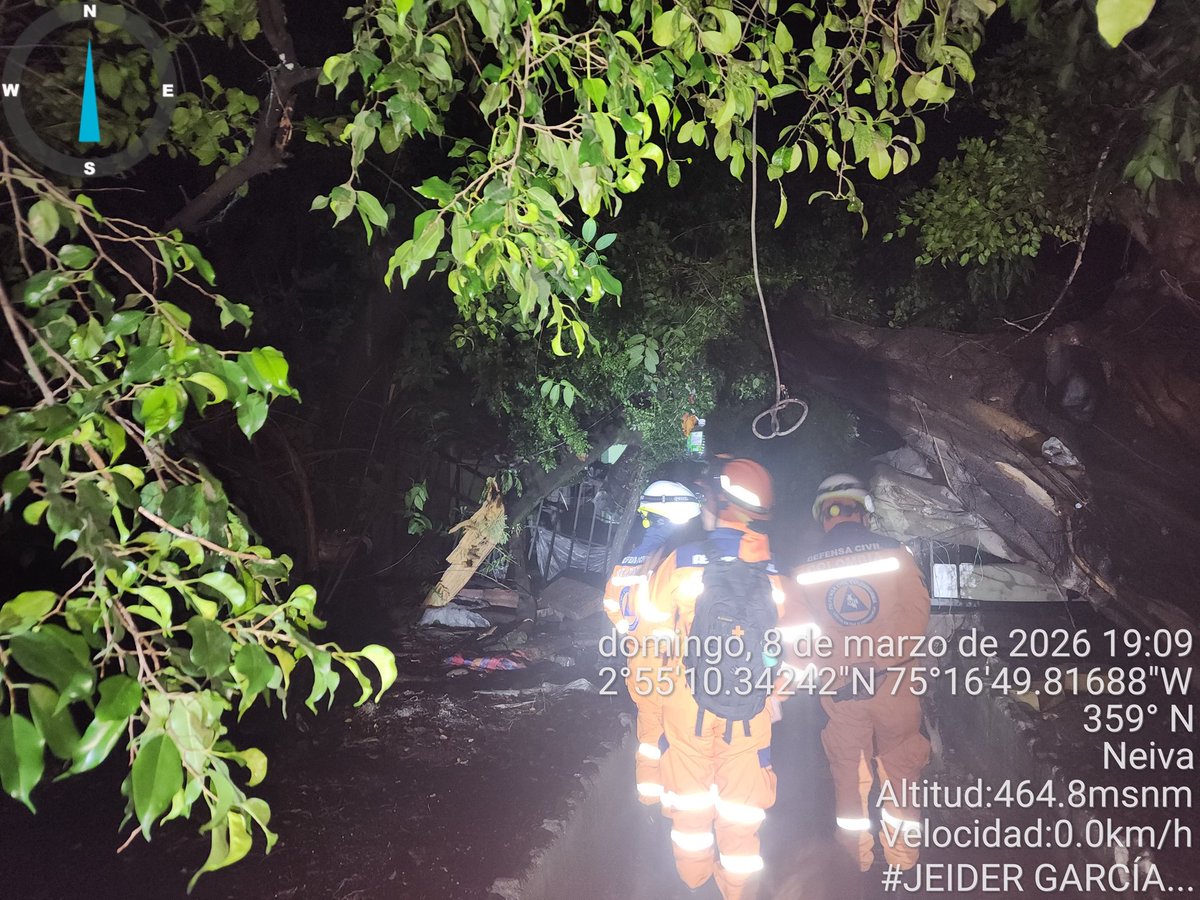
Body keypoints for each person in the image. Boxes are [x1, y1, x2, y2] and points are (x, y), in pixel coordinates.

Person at [649, 458, 786, 900]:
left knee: (690, 809)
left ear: (721, 502)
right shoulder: (775, 574)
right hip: (751, 709)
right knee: (742, 815)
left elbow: (651, 640)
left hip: (687, 702)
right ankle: (737, 892)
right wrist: (773, 695)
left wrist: (660, 693)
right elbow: (795, 650)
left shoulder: (682, 562)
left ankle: (693, 887)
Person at [786, 473, 931, 875]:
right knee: (901, 768)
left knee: (849, 776)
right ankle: (903, 864)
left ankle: (855, 866)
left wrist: (831, 670)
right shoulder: (894, 552)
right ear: (863, 511)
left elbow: (800, 639)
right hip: (895, 683)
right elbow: (916, 617)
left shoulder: (803, 567)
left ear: (824, 516)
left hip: (841, 691)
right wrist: (880, 664)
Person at [602, 480, 703, 808]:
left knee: (648, 740)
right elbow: (693, 616)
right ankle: (676, 807)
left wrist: (636, 640)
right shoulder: (674, 561)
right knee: (679, 741)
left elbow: (613, 609)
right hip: (673, 673)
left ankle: (647, 802)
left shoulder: (629, 561)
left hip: (641, 671)